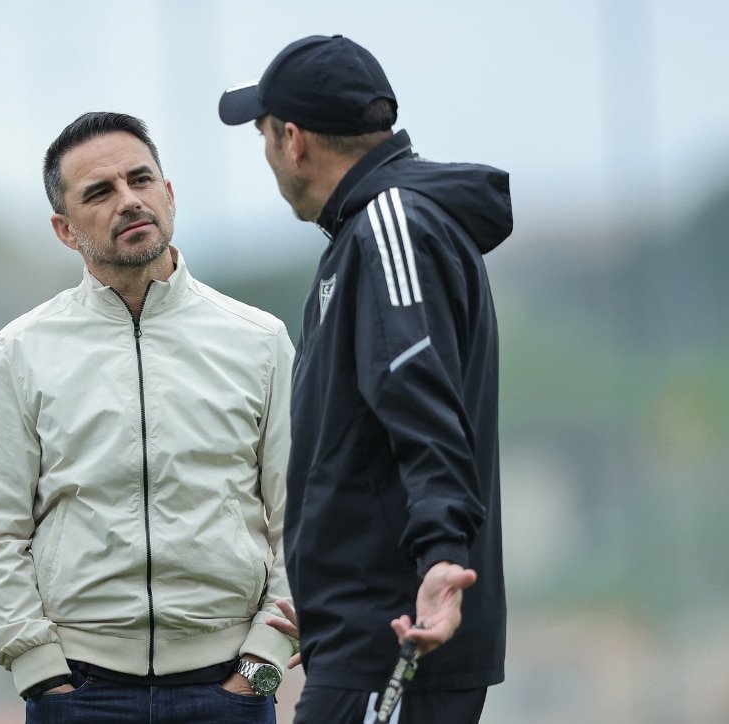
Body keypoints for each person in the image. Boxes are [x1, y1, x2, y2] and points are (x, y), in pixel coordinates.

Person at [0, 112, 297, 723]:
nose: (130, 201)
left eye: (142, 180)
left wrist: (263, 664)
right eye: (100, 192)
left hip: (229, 690)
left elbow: (303, 514)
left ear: (169, 194)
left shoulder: (259, 340)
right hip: (81, 692)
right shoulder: (23, 349)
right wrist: (40, 670)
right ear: (65, 229)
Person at [220, 35, 511, 723]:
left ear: (293, 141)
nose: (266, 153)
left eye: (263, 134)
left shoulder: (388, 231)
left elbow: (421, 405)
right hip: (363, 633)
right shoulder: (367, 233)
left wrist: (440, 557)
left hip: (396, 635)